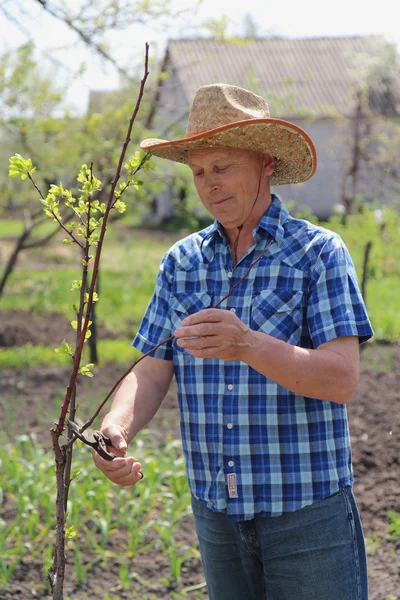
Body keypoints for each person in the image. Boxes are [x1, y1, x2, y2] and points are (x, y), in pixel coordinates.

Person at [93, 83, 374, 599]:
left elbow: (341, 378)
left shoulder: (317, 253)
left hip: (306, 512)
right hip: (216, 513)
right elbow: (153, 368)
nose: (209, 184)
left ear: (266, 162)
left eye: (223, 167)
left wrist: (248, 344)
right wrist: (115, 427)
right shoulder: (182, 262)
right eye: (199, 172)